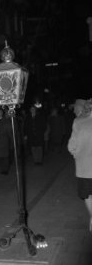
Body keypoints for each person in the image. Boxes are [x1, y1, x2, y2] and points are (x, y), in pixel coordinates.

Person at [68, 99, 92, 232]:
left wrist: (78, 154)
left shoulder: (78, 122)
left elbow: (71, 146)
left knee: (88, 195)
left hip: (85, 169)